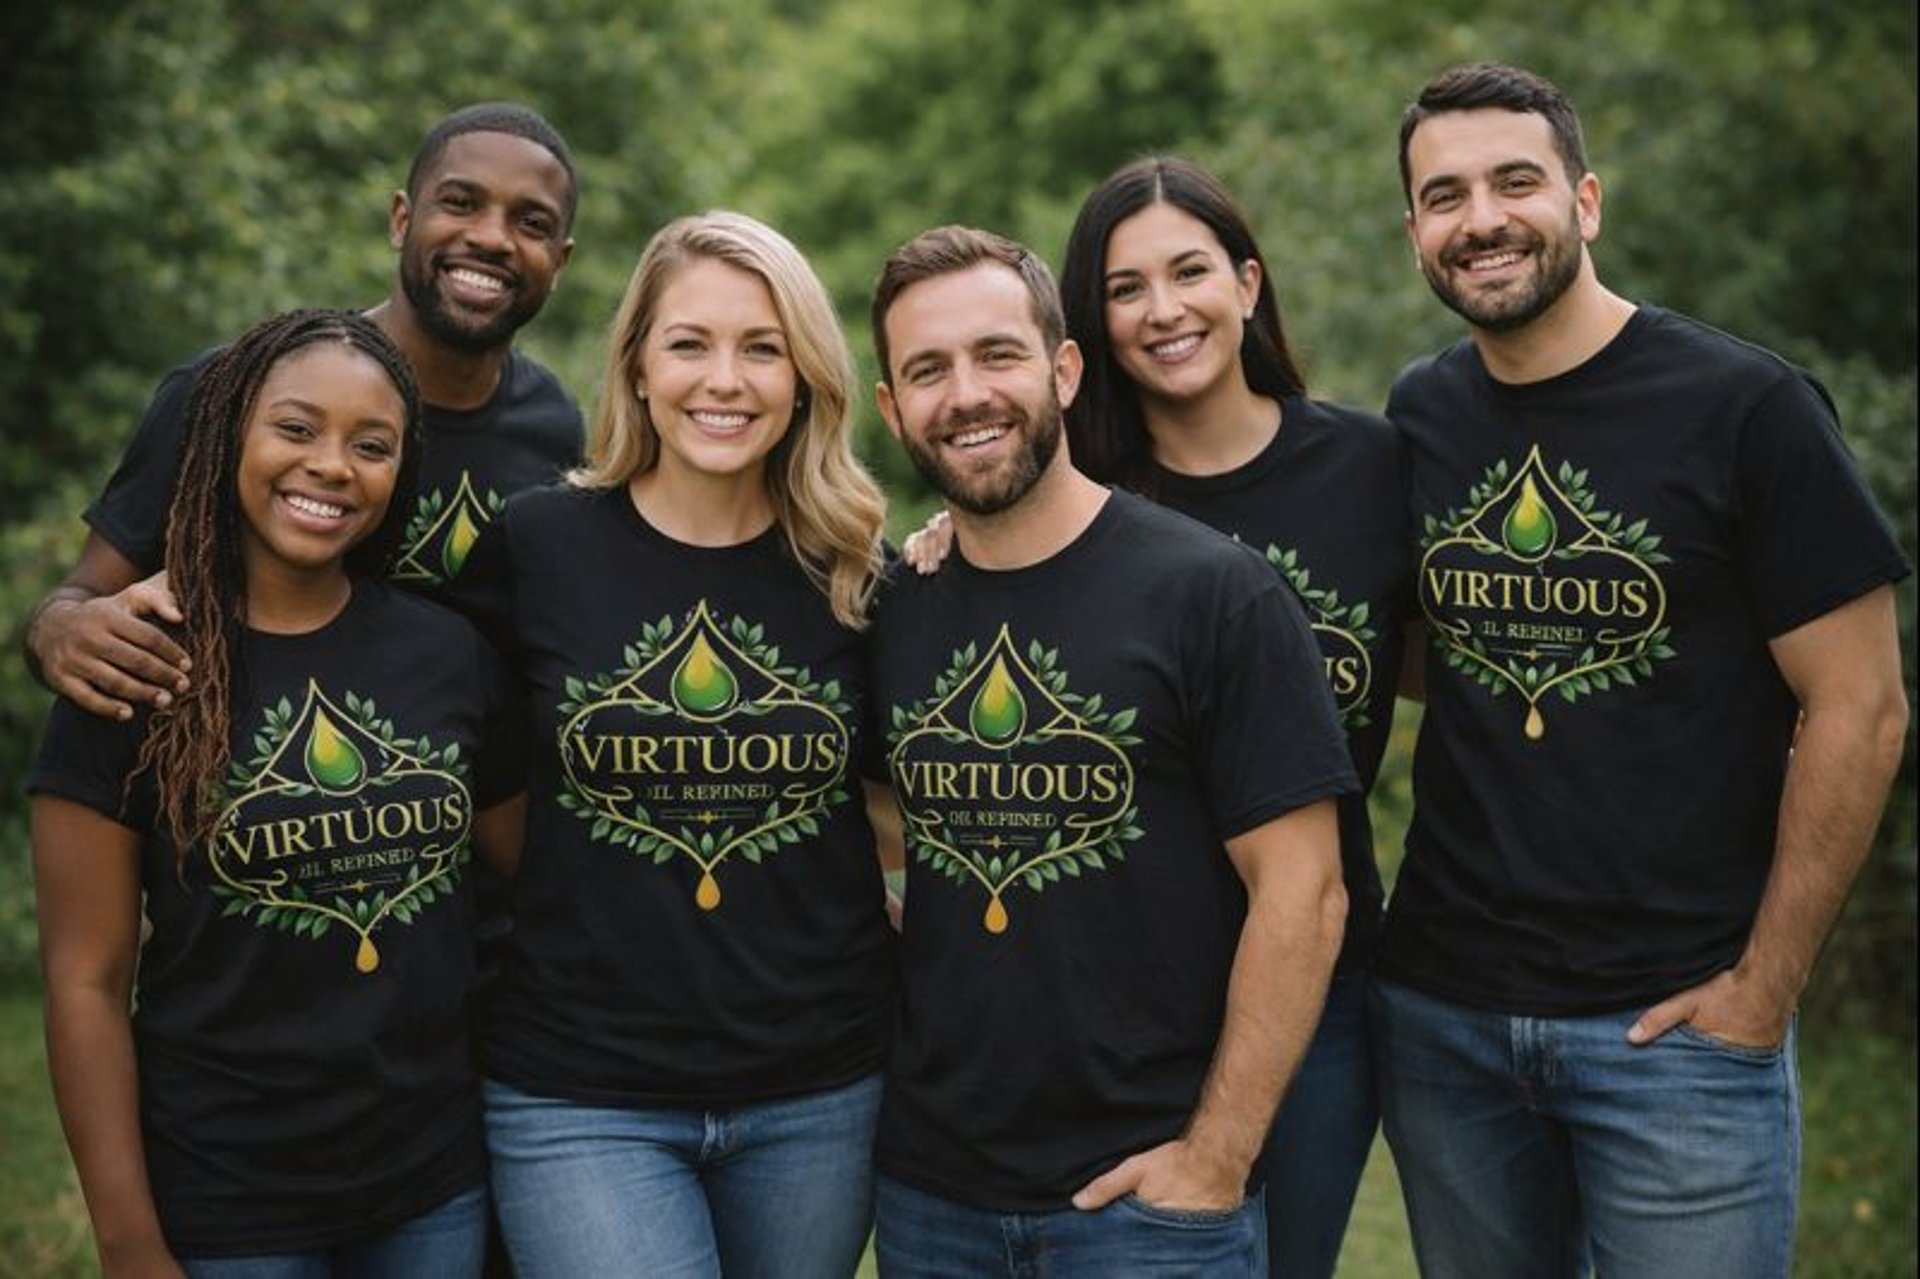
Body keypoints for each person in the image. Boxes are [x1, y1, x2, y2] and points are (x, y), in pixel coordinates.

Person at [1374, 62, 1911, 1278]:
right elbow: (1435, 651)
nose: (1482, 219)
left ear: (1588, 200)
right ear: (1415, 233)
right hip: (1446, 1014)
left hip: (1675, 1028)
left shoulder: (1748, 408)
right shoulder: (1424, 412)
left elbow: (1862, 709)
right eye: (1444, 196)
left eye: (1517, 181)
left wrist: (1765, 988)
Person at [905, 157, 1409, 1276]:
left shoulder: (1369, 466)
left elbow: (1451, 665)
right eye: (1126, 287)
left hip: (1310, 964)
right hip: (1115, 980)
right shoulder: (1078, 492)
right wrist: (940, 540)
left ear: (1248, 282)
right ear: (1086, 337)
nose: (1164, 309)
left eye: (1189, 271)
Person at [28, 308, 528, 1278]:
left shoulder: (448, 657)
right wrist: (128, 1239)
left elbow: (544, 881)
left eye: (371, 445)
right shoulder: (132, 669)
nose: (332, 465)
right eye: (295, 429)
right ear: (226, 441)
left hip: (431, 1184)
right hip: (227, 1197)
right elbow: (84, 985)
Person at [451, 211, 896, 1279]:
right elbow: (486, 792)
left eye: (762, 346)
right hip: (577, 1088)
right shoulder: (535, 544)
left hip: (821, 1089)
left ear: (804, 378)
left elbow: (893, 809)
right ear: (638, 366)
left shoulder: (855, 573)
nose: (724, 380)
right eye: (690, 343)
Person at [23, 101, 582, 721]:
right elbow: (82, 597)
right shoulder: (232, 390)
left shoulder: (552, 427)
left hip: (432, 795)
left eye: (531, 223)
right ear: (402, 219)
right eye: (460, 203)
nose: (490, 237)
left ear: (559, 263)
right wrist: (60, 631)